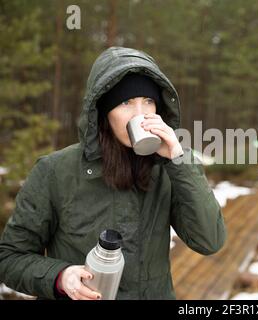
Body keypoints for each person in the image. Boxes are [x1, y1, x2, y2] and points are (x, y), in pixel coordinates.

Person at [0, 46, 226, 300]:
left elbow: (210, 241)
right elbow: (9, 258)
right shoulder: (55, 171)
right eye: (126, 102)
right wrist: (60, 277)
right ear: (103, 112)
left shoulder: (169, 168)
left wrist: (178, 159)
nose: (140, 114)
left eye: (148, 101)